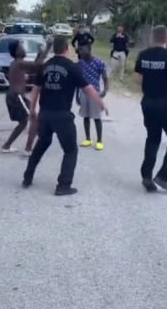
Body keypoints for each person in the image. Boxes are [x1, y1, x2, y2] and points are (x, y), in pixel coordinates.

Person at [22, 37, 108, 196]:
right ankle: (63, 185)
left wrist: (32, 110)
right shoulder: (72, 67)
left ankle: (27, 176)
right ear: (66, 49)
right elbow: (88, 89)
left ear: (54, 49)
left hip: (45, 114)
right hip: (62, 115)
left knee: (41, 144)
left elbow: (36, 89)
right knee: (70, 150)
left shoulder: (45, 66)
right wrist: (101, 103)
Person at [134, 25, 167, 193]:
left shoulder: (143, 55)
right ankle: (163, 176)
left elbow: (137, 79)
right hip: (165, 103)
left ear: (152, 37)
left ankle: (146, 175)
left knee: (153, 139)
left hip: (148, 102)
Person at [1, 38, 52, 155]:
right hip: (16, 96)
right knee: (34, 119)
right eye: (21, 47)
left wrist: (40, 53)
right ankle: (29, 148)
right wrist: (48, 47)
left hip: (15, 96)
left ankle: (7, 145)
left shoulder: (17, 63)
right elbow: (38, 65)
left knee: (24, 122)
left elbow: (35, 66)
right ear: (17, 52)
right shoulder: (19, 63)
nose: (24, 49)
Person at [75, 44, 108, 150]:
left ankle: (99, 141)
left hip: (95, 93)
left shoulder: (99, 62)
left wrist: (104, 91)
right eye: (79, 50)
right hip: (83, 93)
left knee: (97, 117)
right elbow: (77, 80)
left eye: (82, 49)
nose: (81, 52)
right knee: (85, 116)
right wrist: (77, 95)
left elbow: (105, 78)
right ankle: (88, 139)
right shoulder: (79, 64)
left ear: (89, 49)